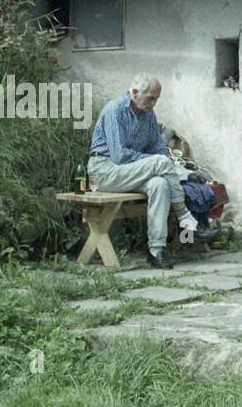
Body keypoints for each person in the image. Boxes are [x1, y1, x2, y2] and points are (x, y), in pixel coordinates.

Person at [87, 75, 212, 269]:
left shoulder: (148, 115)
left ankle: (156, 251)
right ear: (135, 93)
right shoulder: (114, 110)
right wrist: (157, 162)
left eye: (156, 99)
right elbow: (119, 155)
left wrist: (167, 166)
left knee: (159, 184)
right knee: (159, 163)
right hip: (103, 171)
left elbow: (159, 149)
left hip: (129, 172)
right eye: (150, 98)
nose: (154, 103)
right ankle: (185, 218)